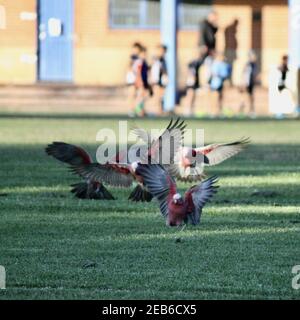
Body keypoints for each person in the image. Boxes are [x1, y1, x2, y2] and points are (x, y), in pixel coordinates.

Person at [185, 46, 208, 116]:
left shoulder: (198, 62)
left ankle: (191, 110)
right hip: (191, 82)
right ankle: (187, 110)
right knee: (190, 96)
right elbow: (192, 73)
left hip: (195, 82)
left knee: (193, 96)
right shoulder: (194, 63)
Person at [209, 52, 230, 116]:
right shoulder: (216, 63)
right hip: (216, 83)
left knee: (221, 97)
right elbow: (214, 73)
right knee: (215, 97)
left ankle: (219, 111)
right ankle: (213, 111)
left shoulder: (224, 64)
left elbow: (226, 74)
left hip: (221, 83)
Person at [150, 44, 168, 115]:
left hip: (162, 80)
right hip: (156, 80)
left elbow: (165, 71)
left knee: (161, 95)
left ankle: (160, 109)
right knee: (157, 95)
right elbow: (152, 69)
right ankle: (156, 110)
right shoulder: (155, 59)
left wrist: (166, 78)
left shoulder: (164, 60)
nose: (163, 52)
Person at [239, 50, 258, 117]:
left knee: (251, 97)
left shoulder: (254, 65)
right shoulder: (248, 64)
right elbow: (244, 74)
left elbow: (254, 74)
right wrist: (243, 83)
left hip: (251, 83)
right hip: (246, 83)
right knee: (244, 97)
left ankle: (251, 111)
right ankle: (242, 111)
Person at [133, 46, 151, 117]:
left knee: (143, 95)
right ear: (140, 54)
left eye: (145, 54)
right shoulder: (139, 61)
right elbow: (138, 72)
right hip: (140, 81)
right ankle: (138, 110)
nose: (144, 56)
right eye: (143, 54)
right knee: (140, 96)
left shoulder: (143, 61)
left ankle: (142, 110)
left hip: (143, 80)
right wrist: (140, 81)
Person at [126, 42, 143, 112]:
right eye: (134, 49)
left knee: (138, 95)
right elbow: (129, 68)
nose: (135, 51)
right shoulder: (131, 58)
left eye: (137, 49)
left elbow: (139, 70)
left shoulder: (139, 59)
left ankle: (137, 109)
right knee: (131, 95)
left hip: (137, 79)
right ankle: (131, 110)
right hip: (131, 80)